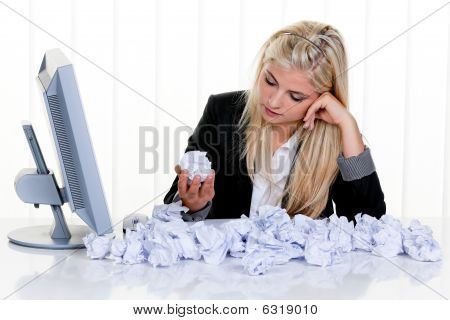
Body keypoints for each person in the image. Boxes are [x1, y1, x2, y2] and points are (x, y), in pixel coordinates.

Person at [164, 20, 386, 223]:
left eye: (295, 96)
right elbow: (174, 205)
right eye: (270, 81)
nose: (274, 101)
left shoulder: (337, 136)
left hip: (300, 267)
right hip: (229, 266)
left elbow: (369, 225)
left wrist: (348, 124)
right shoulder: (222, 111)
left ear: (323, 97)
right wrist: (194, 206)